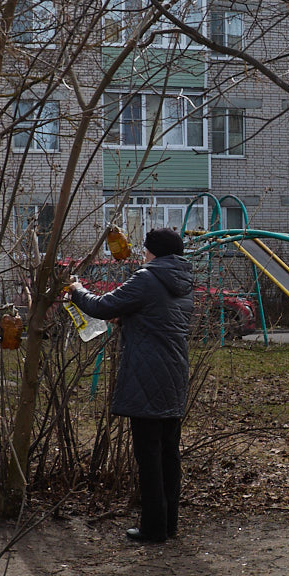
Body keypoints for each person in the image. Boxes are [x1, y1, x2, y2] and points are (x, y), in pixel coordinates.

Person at [66, 227, 193, 543]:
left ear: (153, 252)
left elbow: (102, 307)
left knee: (148, 455)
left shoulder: (147, 278)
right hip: (174, 374)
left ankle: (152, 529)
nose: (143, 254)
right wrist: (132, 319)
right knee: (168, 454)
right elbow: (160, 318)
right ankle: (168, 524)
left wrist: (76, 289)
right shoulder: (184, 283)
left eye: (146, 249)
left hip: (146, 376)